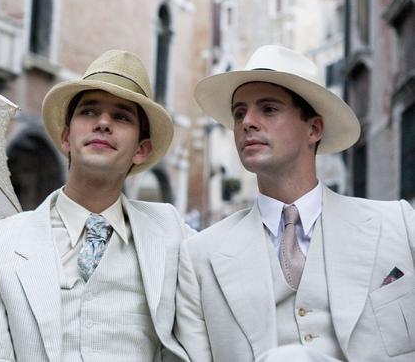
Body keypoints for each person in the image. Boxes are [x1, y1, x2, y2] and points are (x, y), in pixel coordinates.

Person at [174, 44, 415, 362]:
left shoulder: (397, 223)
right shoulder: (199, 257)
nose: (248, 122)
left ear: (314, 129)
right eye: (239, 113)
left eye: (269, 109)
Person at [0, 50, 193, 361]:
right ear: (66, 137)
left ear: (141, 150)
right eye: (89, 112)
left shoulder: (174, 235)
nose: (103, 123)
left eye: (121, 116)